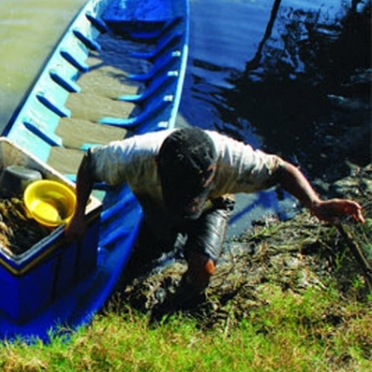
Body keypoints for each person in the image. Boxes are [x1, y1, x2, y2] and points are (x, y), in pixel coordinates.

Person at [65, 126, 365, 300]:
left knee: (203, 270)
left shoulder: (236, 161)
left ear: (212, 173)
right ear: (158, 165)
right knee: (143, 256)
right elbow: (89, 163)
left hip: (213, 204)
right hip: (157, 205)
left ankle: (179, 300)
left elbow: (283, 170)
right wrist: (78, 215)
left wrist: (315, 204)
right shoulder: (133, 156)